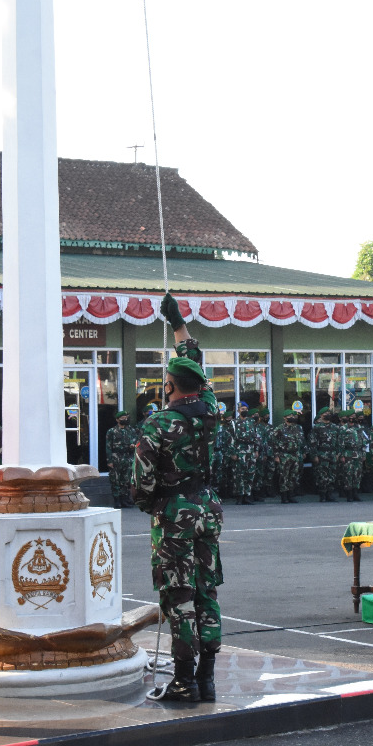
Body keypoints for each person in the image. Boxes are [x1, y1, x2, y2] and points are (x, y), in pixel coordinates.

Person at [132, 292, 222, 703]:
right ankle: (207, 679)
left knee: (179, 596)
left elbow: (142, 484)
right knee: (206, 591)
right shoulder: (211, 411)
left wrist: (149, 504)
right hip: (206, 508)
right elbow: (195, 367)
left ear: (168, 386)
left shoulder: (159, 425)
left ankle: (184, 680)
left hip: (173, 514)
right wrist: (179, 324)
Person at [104, 410, 140, 508]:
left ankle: (125, 500)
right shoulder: (111, 431)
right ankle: (117, 501)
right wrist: (109, 461)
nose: (125, 419)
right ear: (117, 420)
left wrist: (134, 445)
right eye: (122, 418)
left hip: (128, 457)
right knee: (115, 480)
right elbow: (108, 446)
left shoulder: (131, 430)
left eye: (126, 418)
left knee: (126, 480)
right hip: (116, 457)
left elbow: (137, 441)